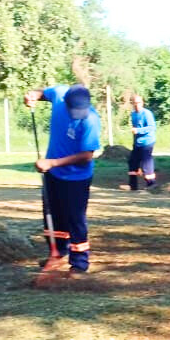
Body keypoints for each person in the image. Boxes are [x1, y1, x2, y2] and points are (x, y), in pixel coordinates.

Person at [24, 83, 101, 274]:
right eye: (75, 110)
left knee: (75, 219)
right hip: (54, 175)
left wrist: (52, 163)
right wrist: (33, 95)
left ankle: (79, 263)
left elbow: (87, 155)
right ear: (65, 102)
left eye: (82, 109)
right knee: (53, 215)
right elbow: (42, 93)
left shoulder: (90, 120)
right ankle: (57, 253)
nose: (79, 113)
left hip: (77, 177)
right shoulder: (59, 95)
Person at [125, 93, 158, 190]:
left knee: (146, 163)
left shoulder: (147, 114)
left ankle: (151, 185)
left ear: (142, 103)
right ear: (132, 103)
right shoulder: (133, 114)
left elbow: (152, 127)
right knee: (132, 162)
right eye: (134, 103)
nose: (137, 105)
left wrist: (138, 130)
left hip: (147, 141)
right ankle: (133, 186)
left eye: (139, 103)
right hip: (137, 143)